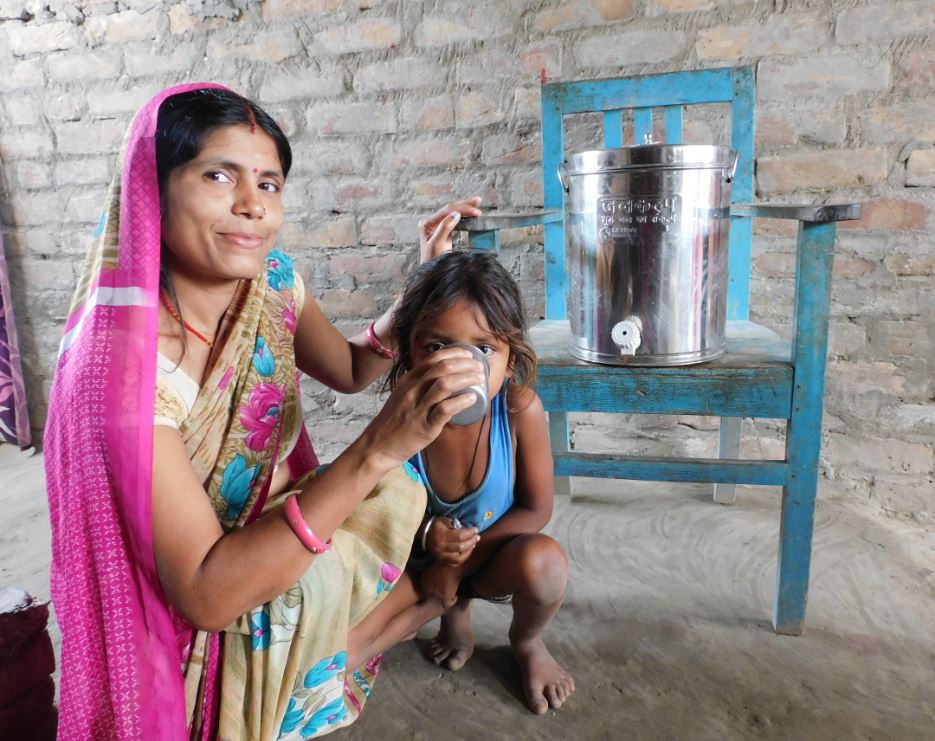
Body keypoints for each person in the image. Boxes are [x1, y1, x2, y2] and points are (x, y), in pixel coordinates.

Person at [43, 82, 487, 740]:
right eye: (218, 175)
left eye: (270, 183)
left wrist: (420, 288)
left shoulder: (270, 283)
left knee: (394, 494)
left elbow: (348, 366)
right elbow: (206, 592)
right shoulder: (122, 374)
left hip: (275, 533)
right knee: (378, 489)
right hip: (204, 595)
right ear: (151, 189)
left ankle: (317, 660)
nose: (252, 205)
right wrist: (375, 446)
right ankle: (268, 678)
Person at [385, 250, 575, 715]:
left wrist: (458, 563)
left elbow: (536, 510)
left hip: (491, 556)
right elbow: (381, 505)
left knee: (546, 563)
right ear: (408, 351)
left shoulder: (517, 409)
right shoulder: (402, 413)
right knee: (353, 607)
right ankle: (451, 614)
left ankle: (527, 642)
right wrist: (433, 548)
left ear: (510, 360)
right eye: (436, 346)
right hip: (421, 558)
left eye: (483, 349)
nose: (460, 365)